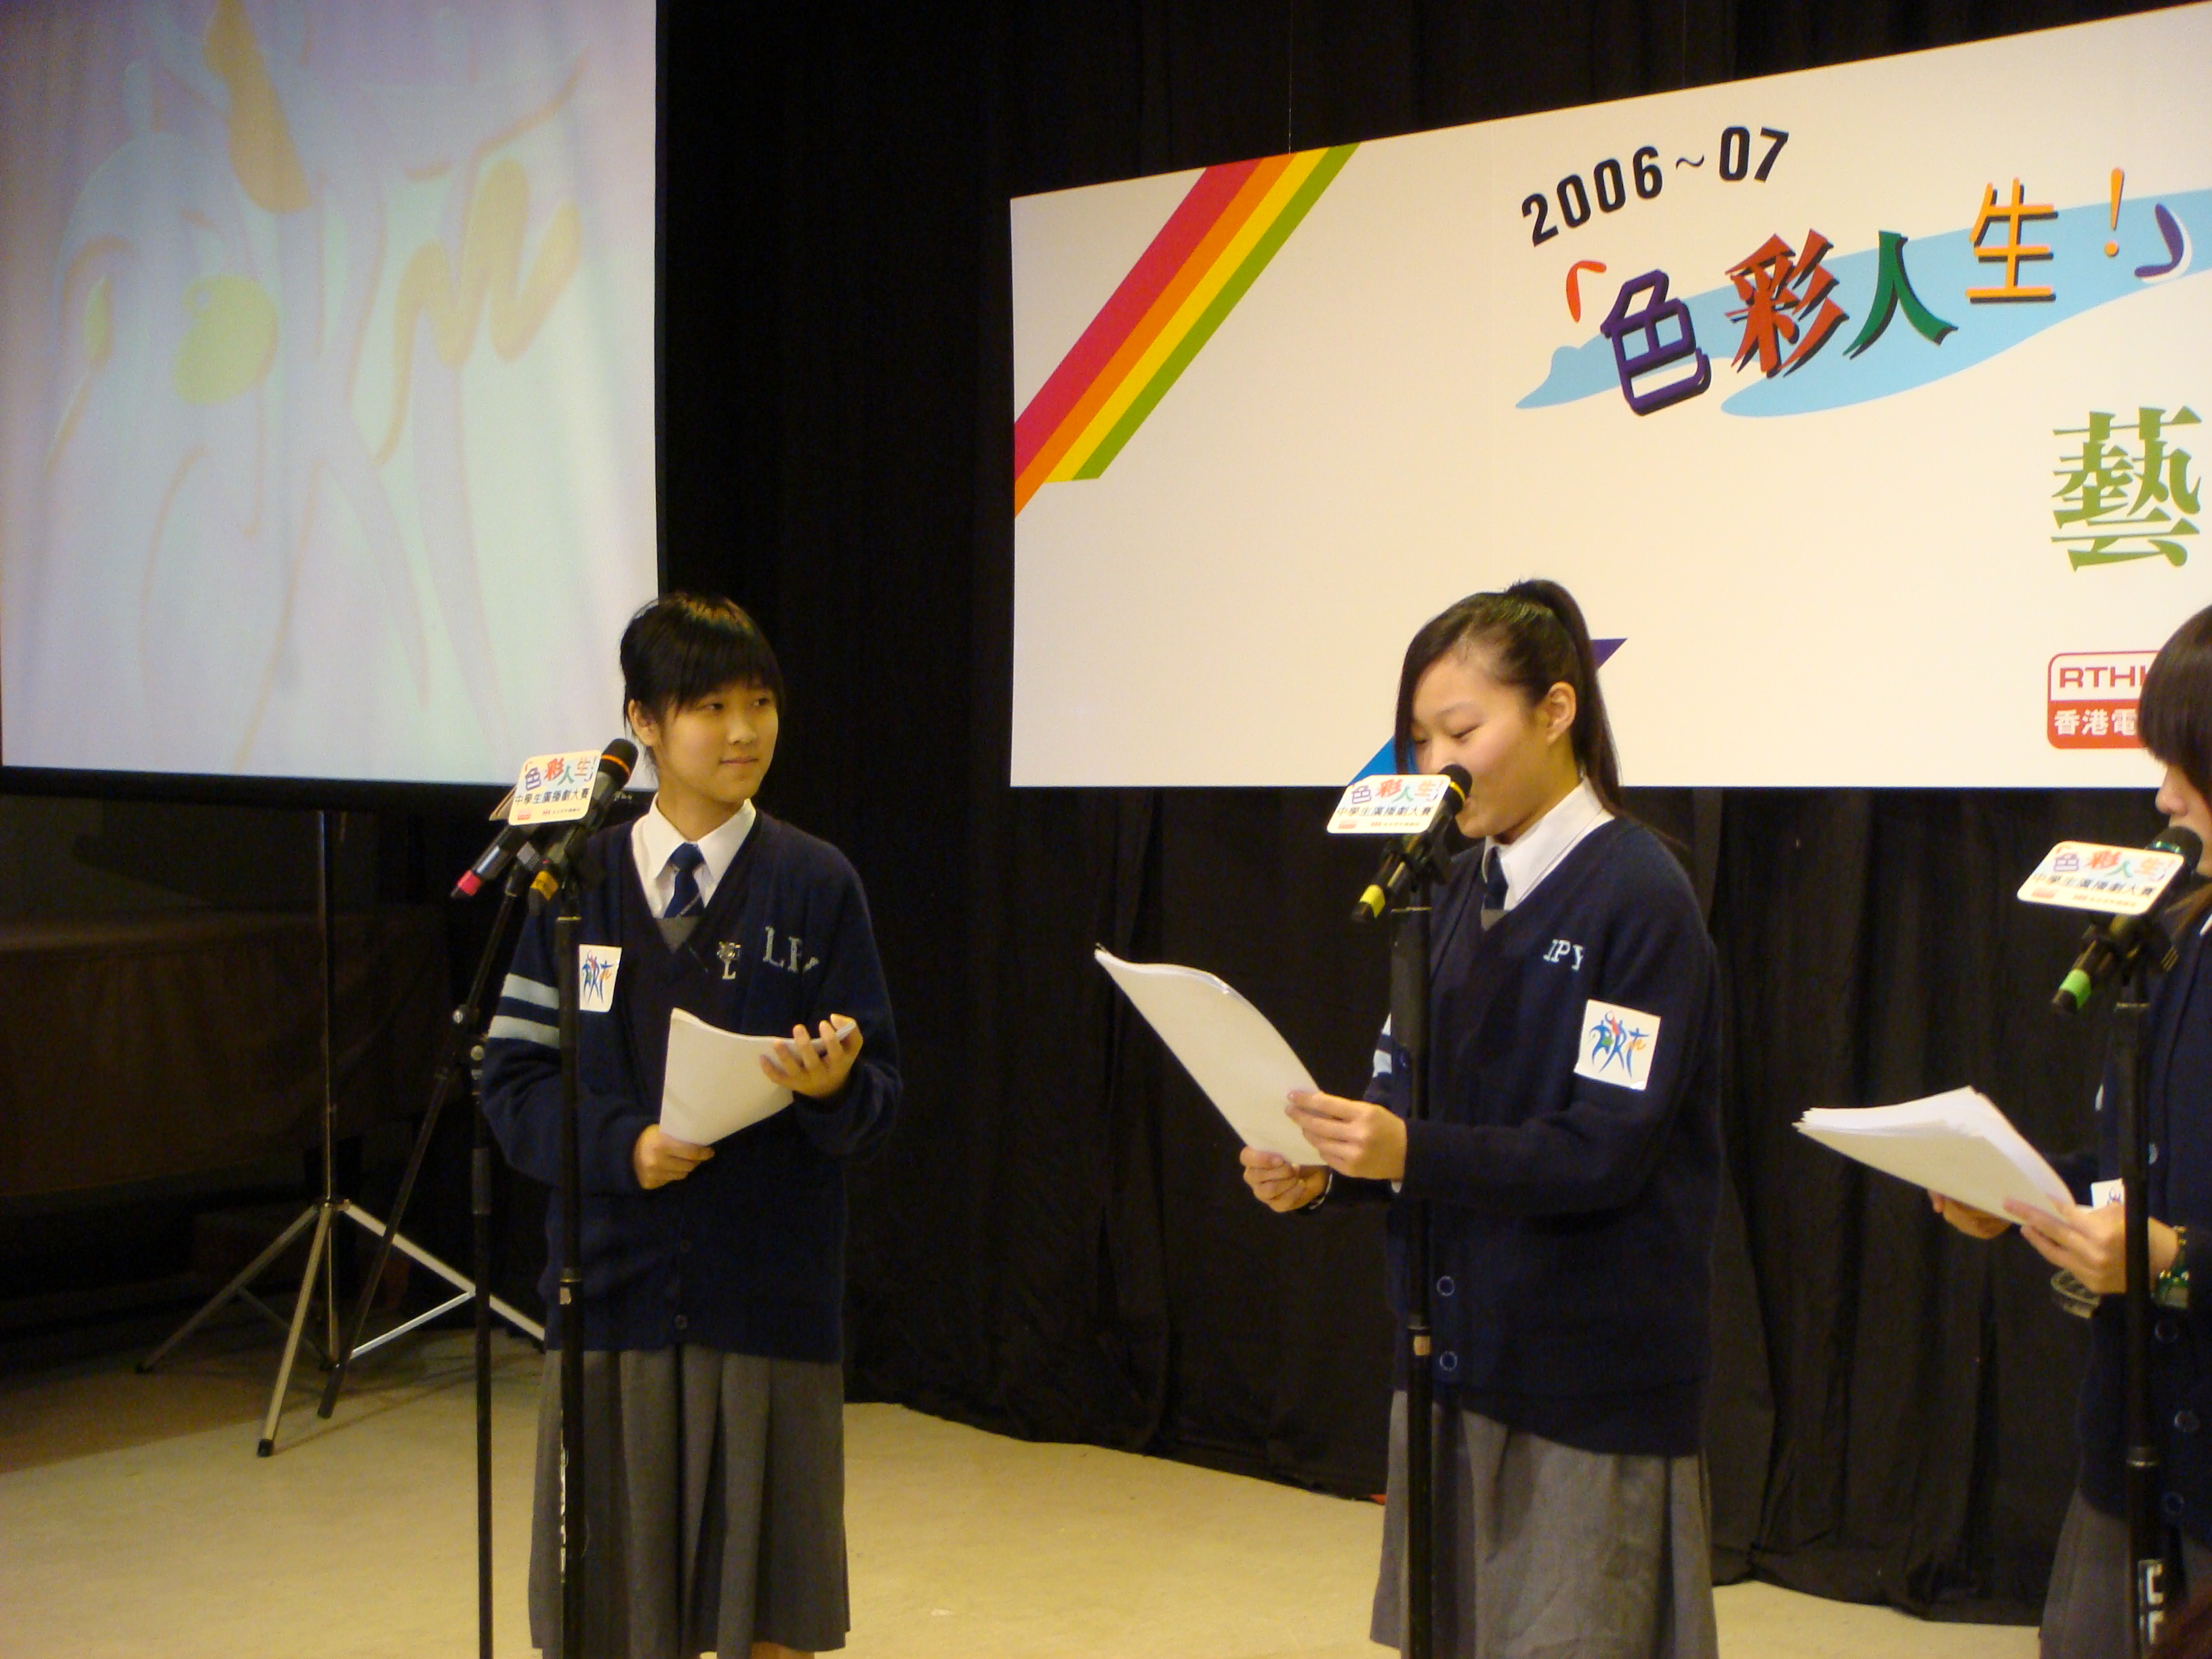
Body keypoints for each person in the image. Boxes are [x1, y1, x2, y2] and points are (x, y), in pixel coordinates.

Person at [1242, 579, 1723, 1658]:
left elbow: (1605, 1147)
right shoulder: (1451, 891)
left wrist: (1409, 1151)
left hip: (1586, 1385)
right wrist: (1332, 1171)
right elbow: (1404, 1097)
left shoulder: (1639, 895)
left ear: (1557, 712)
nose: (1436, 764)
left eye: (1461, 732)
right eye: (1419, 740)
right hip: (1451, 1362)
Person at [482, 592, 901, 1659]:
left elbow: (881, 1095)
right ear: (645, 723)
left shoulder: (817, 883)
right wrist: (624, 1148)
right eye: (711, 707)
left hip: (768, 1303)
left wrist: (832, 1088)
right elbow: (512, 1081)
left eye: (761, 703)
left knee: (772, 1611)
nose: (745, 731)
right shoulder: (572, 880)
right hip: (611, 1298)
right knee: (616, 1612)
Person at [1934, 604, 2212, 1659]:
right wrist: (2019, 1192)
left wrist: (2177, 1263)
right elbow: (2141, 1171)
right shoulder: (2175, 944)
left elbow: (2174, 1236)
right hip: (2131, 1447)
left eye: (2189, 766)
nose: (2164, 797)